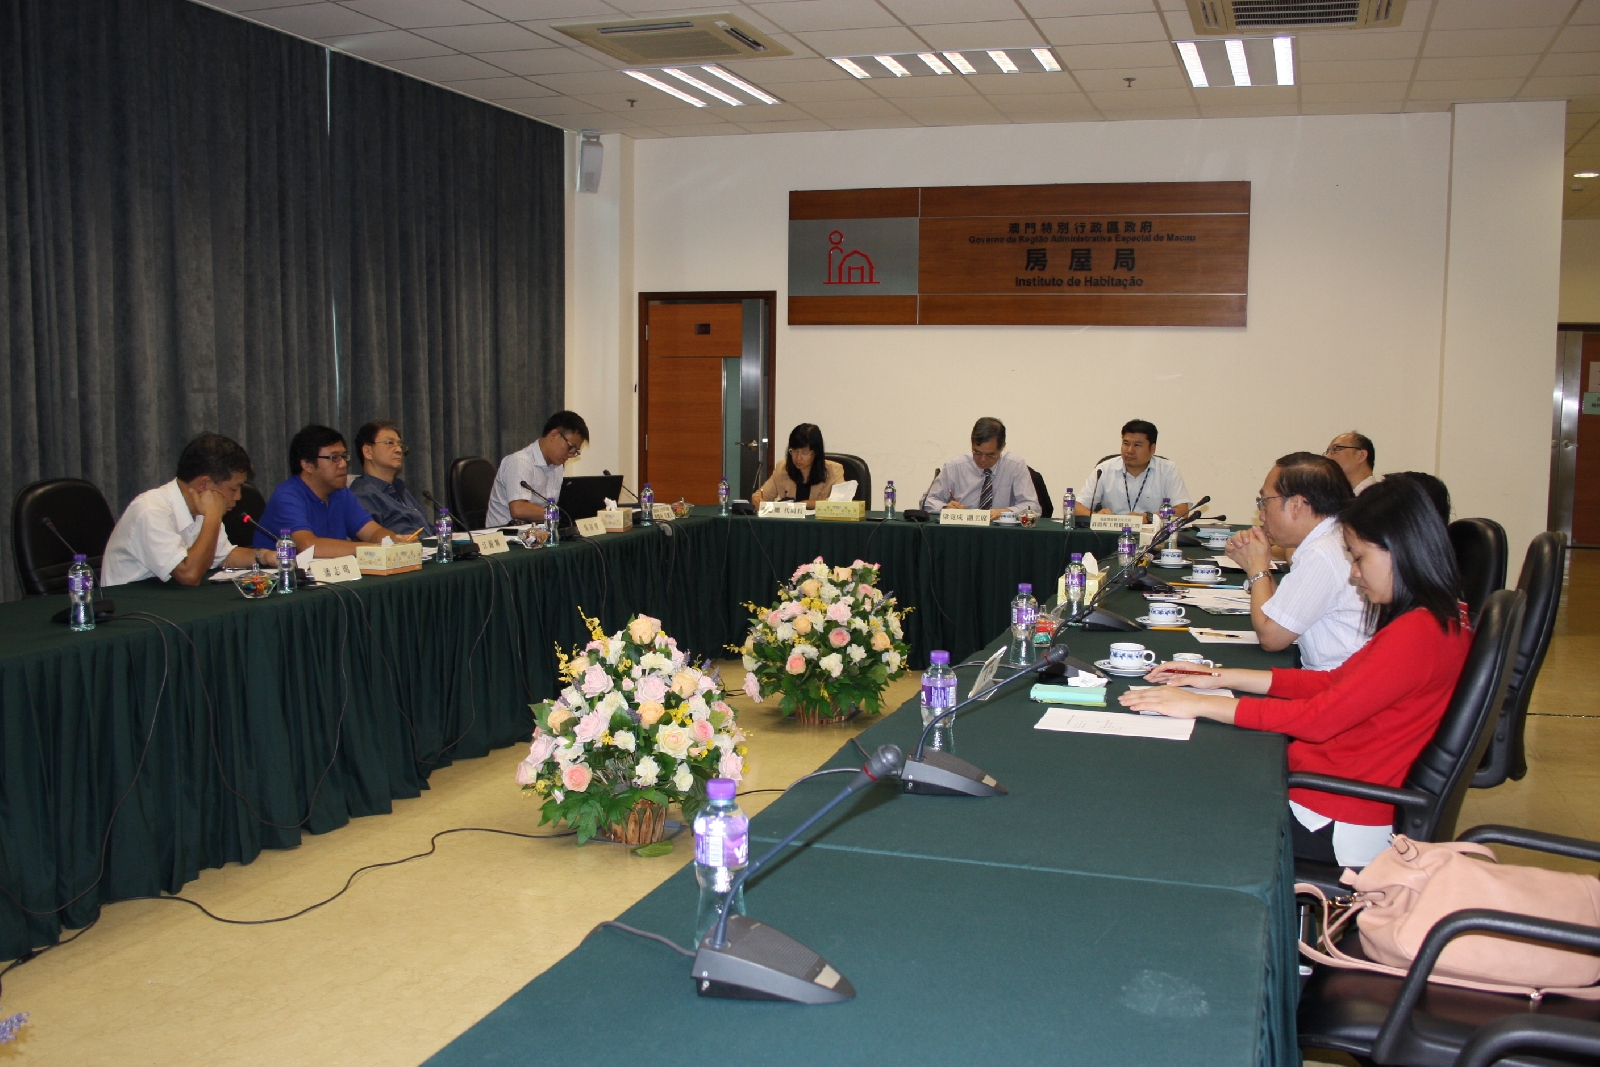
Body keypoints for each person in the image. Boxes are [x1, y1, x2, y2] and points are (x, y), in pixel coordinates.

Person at [1120, 478, 1471, 868]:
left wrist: (1199, 705)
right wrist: (1219, 677)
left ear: (1400, 551)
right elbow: (1333, 683)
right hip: (1341, 789)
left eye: (1358, 558)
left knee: (1184, 795)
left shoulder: (1416, 634)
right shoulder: (1439, 618)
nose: (1354, 574)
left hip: (1335, 813)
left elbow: (1319, 720)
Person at [1227, 452, 1365, 670]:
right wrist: (1252, 564)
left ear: (1296, 505)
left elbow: (1271, 637)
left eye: (1264, 502)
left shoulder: (1323, 552)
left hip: (1337, 681)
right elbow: (1280, 611)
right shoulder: (1332, 538)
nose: (1261, 515)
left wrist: (1257, 568)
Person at [102, 433, 278, 586]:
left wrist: (263, 556)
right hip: (130, 606)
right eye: (234, 488)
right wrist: (213, 517)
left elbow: (223, 555)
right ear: (205, 484)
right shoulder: (151, 511)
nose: (238, 497)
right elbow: (189, 575)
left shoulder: (201, 508)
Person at [254, 425, 409, 556]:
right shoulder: (287, 497)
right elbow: (307, 546)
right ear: (307, 464)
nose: (343, 464)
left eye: (344, 457)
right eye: (334, 458)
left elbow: (372, 532)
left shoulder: (340, 493)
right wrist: (372, 549)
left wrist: (393, 541)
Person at [485, 411, 589, 527]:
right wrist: (558, 515)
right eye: (571, 447)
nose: (570, 454)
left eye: (575, 452)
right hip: (505, 534)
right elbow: (518, 509)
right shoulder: (520, 462)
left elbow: (548, 508)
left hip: (535, 533)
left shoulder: (557, 467)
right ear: (554, 435)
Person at [921, 417, 1040, 519]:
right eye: (977, 453)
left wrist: (1005, 512)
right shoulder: (954, 467)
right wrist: (945, 508)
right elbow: (927, 502)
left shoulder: (1015, 466)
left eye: (990, 455)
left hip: (1002, 533)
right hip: (963, 530)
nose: (983, 459)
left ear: (1002, 447)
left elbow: (1033, 507)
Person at [1076, 419, 1190, 521]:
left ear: (1152, 449)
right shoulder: (1104, 469)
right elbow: (1076, 507)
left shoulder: (1168, 470)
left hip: (1153, 534)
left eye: (1137, 445)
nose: (1130, 450)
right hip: (1113, 532)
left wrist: (1149, 517)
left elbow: (1182, 511)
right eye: (1126, 443)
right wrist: (1096, 516)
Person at [349, 420, 429, 538]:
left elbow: (429, 530)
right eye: (389, 443)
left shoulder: (400, 489)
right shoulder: (362, 494)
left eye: (400, 445)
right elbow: (375, 541)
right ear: (368, 451)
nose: (399, 450)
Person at [750, 424, 844, 508]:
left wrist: (808, 504)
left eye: (805, 452)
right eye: (794, 451)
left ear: (816, 452)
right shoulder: (782, 468)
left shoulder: (834, 470)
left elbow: (841, 502)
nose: (798, 458)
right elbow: (762, 494)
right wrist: (757, 499)